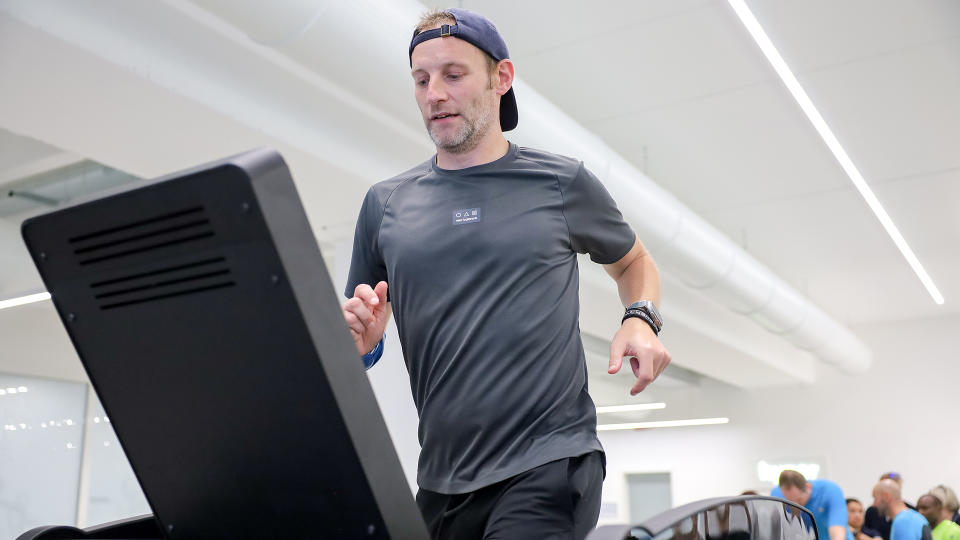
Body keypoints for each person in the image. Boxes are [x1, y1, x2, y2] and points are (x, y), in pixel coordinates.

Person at [341, 7, 671, 540]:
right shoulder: (385, 205)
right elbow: (356, 346)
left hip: (550, 460)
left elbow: (634, 262)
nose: (434, 95)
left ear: (502, 77)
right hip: (442, 478)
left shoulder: (561, 183)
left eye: (453, 74)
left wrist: (641, 318)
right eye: (421, 80)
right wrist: (363, 342)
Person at [771, 470, 851, 540]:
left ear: (808, 487)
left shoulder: (830, 490)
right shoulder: (777, 495)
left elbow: (837, 529)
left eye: (799, 499)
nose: (795, 506)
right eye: (790, 502)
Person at [868, 473, 917, 540]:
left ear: (886, 496)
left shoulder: (904, 521)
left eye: (875, 498)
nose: (874, 504)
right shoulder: (909, 517)